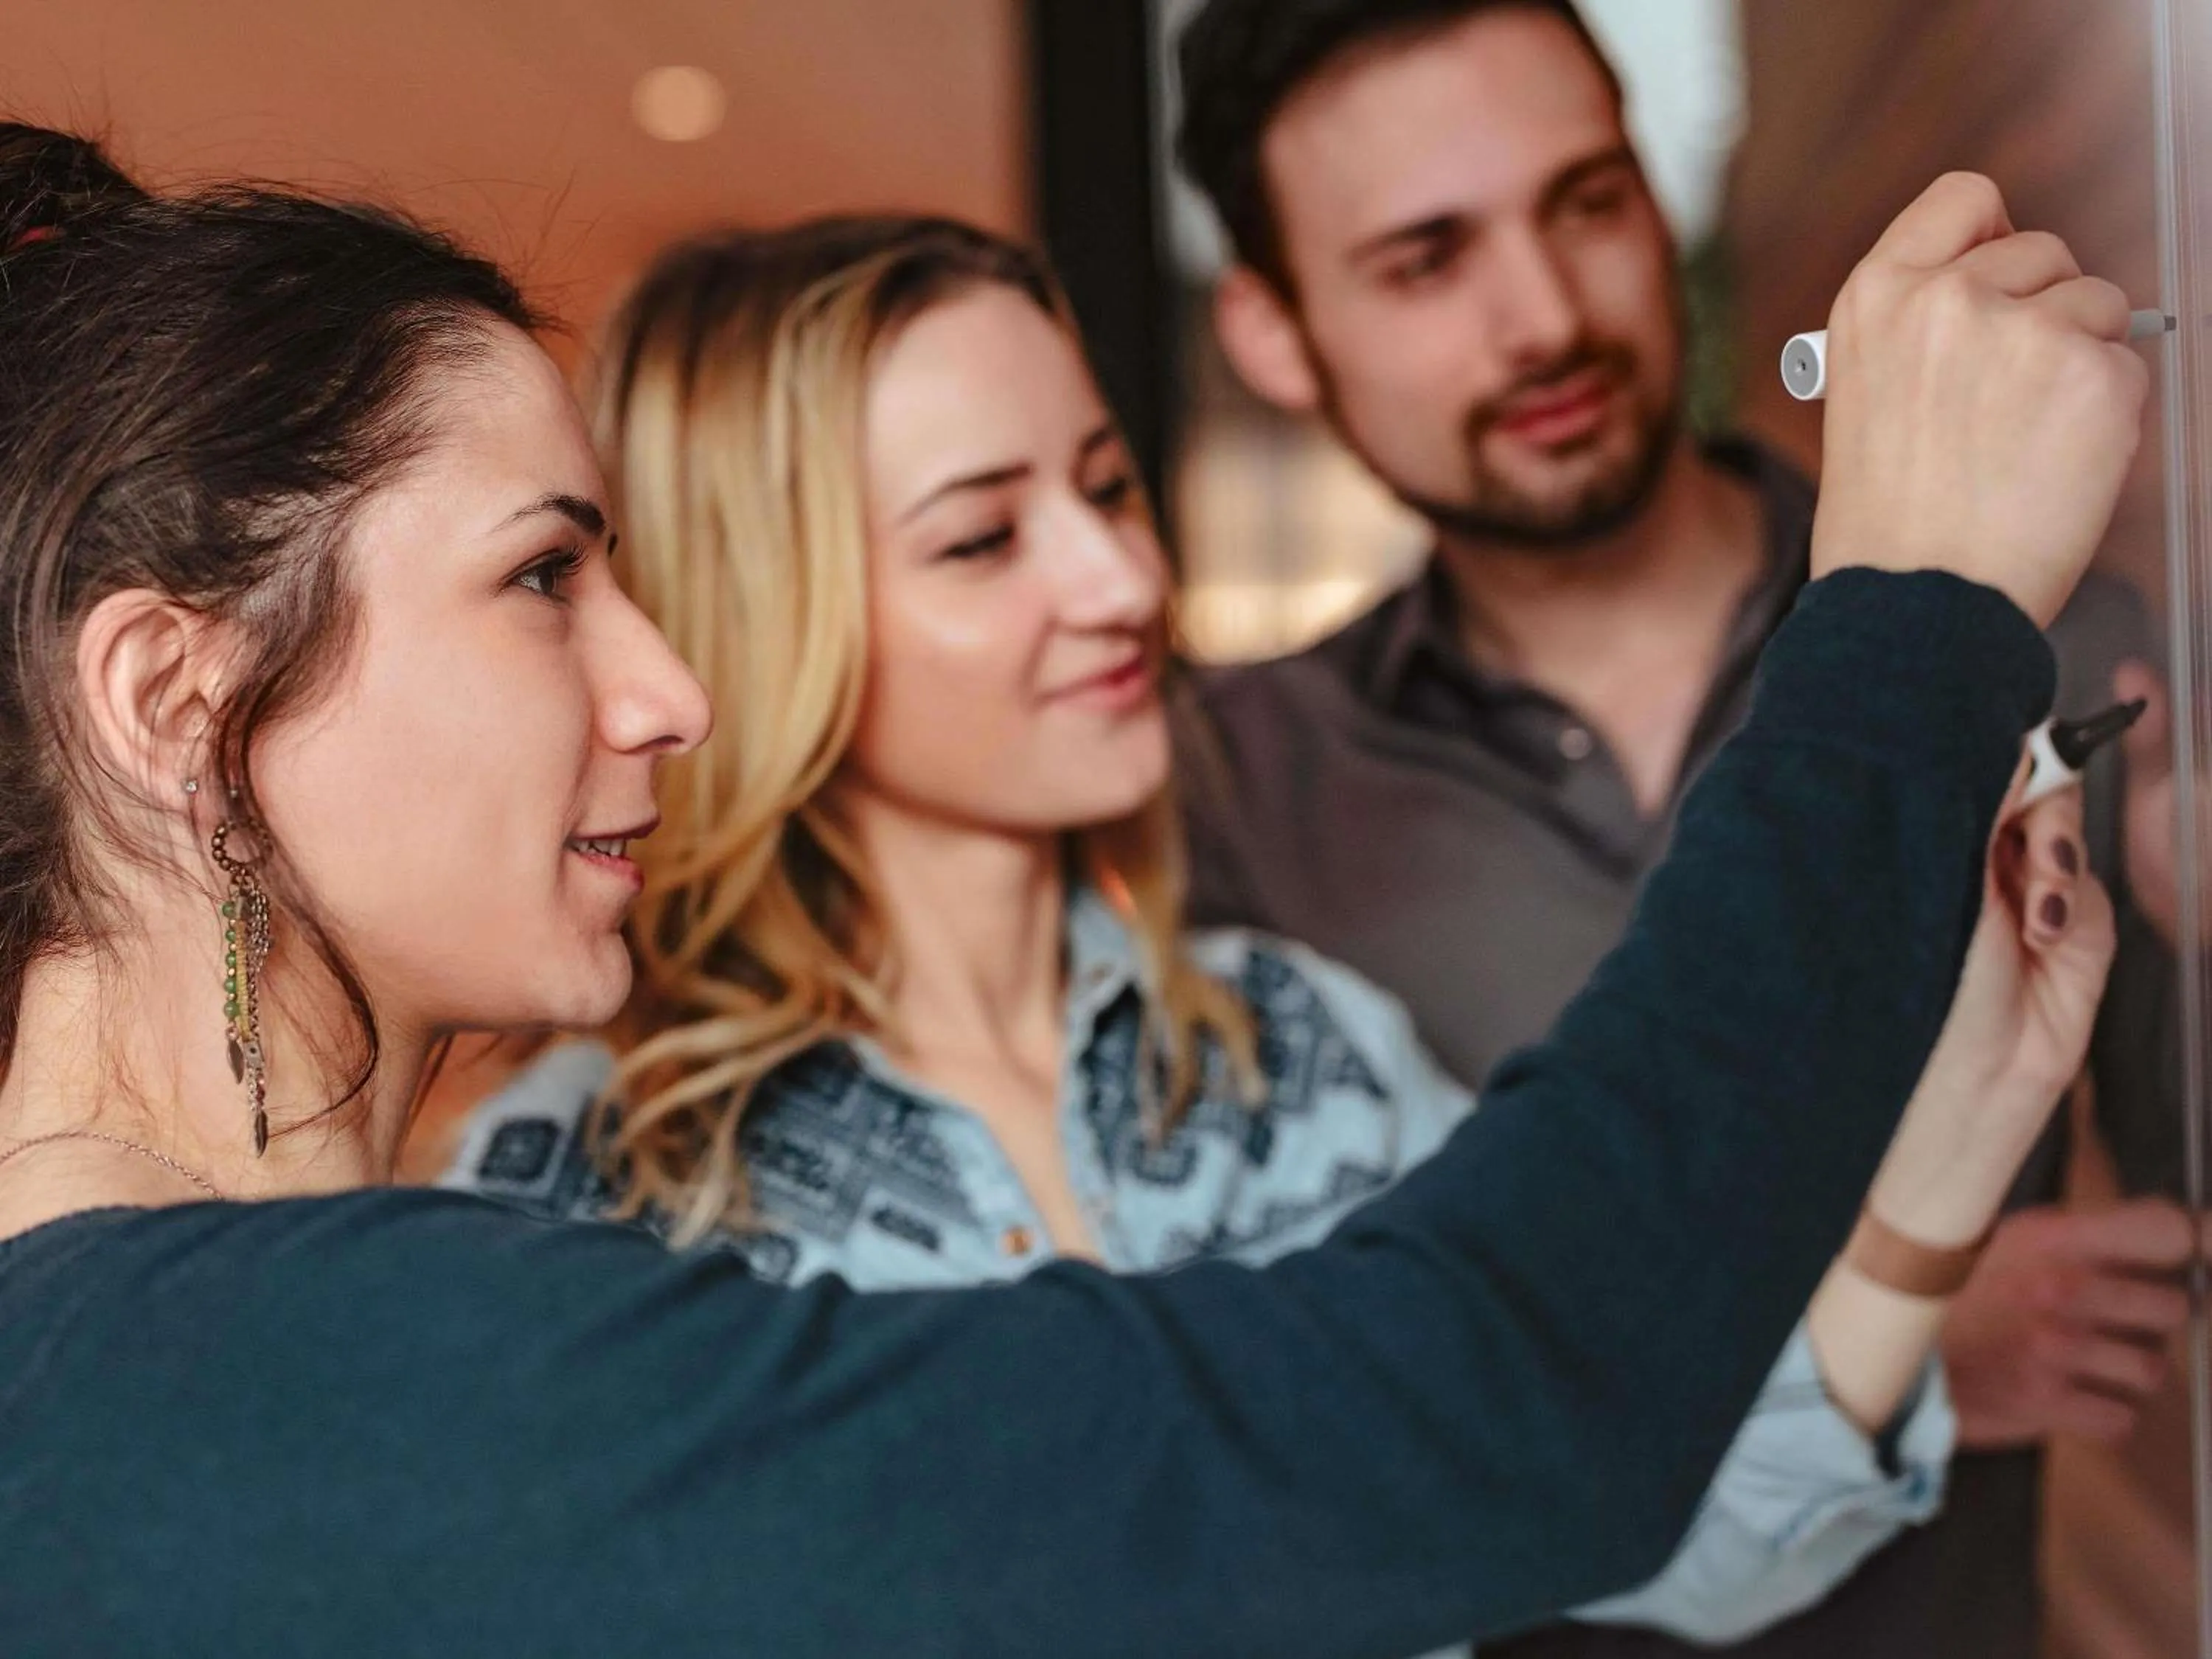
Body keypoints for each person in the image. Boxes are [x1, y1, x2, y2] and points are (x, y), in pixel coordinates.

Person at [0, 121, 2148, 1657]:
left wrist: (1945, 1130)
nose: (664, 684)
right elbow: (1490, 1409)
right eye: (548, 577)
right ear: (176, 699)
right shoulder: (423, 1332)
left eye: (1110, 490)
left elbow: (1548, 1474)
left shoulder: (1280, 1036)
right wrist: (1914, 614)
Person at [1169, 4, 2195, 1654]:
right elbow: (1300, 1404)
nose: (1548, 317)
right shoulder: (1216, 796)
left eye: (1585, 202)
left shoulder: (2041, 635)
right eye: (1427, 260)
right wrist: (1895, 1339)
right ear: (1277, 333)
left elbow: (2184, 1173)